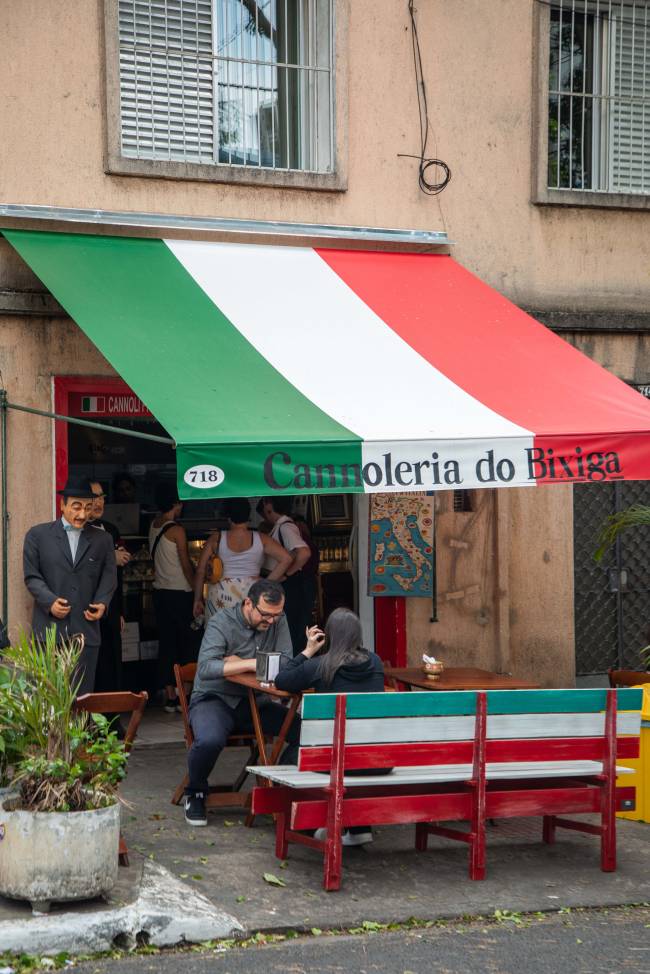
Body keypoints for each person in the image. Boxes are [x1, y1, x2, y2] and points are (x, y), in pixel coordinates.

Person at [184, 579, 300, 827]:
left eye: (276, 616)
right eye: (265, 615)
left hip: (255, 702)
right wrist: (251, 664)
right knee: (209, 739)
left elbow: (286, 663)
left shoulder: (278, 621)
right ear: (249, 603)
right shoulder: (221, 622)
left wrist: (235, 663)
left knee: (305, 731)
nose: (271, 622)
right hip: (215, 698)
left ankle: (279, 788)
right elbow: (206, 668)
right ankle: (195, 793)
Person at [274, 607, 385, 846]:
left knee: (289, 757)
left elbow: (282, 680)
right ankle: (358, 827)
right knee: (350, 750)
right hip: (374, 761)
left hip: (331, 759)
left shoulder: (320, 665)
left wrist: (308, 650)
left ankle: (312, 824)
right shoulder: (375, 663)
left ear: (330, 635)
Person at [22, 475, 117, 694]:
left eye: (87, 507)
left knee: (81, 699)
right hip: (48, 630)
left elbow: (109, 576)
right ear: (62, 505)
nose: (82, 514)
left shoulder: (102, 539)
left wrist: (102, 603)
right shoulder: (37, 535)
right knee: (47, 698)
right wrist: (50, 602)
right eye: (76, 507)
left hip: (86, 632)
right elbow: (32, 576)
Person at [193, 497, 291, 621]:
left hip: (221, 594)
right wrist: (266, 582)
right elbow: (286, 558)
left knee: (220, 636)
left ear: (228, 517)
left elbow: (200, 570)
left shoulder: (216, 538)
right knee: (251, 635)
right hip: (252, 593)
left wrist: (197, 599)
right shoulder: (261, 538)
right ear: (248, 515)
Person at [149, 484, 196, 713]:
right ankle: (183, 696)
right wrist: (196, 589)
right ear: (175, 504)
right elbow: (186, 564)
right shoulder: (177, 530)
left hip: (160, 593)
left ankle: (169, 695)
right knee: (186, 643)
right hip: (180, 593)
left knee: (167, 643)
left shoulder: (154, 525)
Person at [88, 481, 131, 694]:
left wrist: (120, 610)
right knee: (94, 662)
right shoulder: (78, 530)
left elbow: (117, 575)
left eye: (102, 496)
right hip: (88, 607)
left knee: (113, 660)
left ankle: (113, 716)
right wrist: (109, 557)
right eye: (94, 496)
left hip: (111, 607)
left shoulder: (111, 529)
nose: (99, 501)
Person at [260, 497, 313, 655]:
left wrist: (287, 574)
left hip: (289, 586)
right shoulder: (280, 527)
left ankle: (293, 669)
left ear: (269, 505)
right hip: (287, 584)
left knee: (290, 632)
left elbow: (304, 552)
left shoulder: (285, 527)